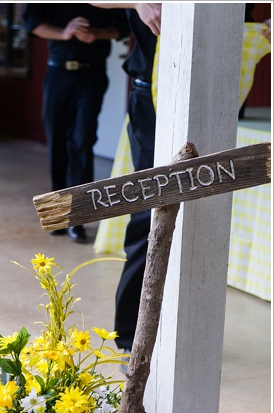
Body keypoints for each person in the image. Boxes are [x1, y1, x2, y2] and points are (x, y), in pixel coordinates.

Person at [99, 3, 264, 353]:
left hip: (220, 88)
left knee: (206, 216)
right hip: (153, 93)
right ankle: (131, 341)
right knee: (149, 215)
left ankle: (190, 338)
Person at [24, 4, 129, 243]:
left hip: (92, 75)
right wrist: (65, 32)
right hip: (58, 73)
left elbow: (123, 25)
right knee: (57, 142)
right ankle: (57, 216)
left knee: (82, 141)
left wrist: (96, 34)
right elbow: (32, 22)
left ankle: (78, 219)